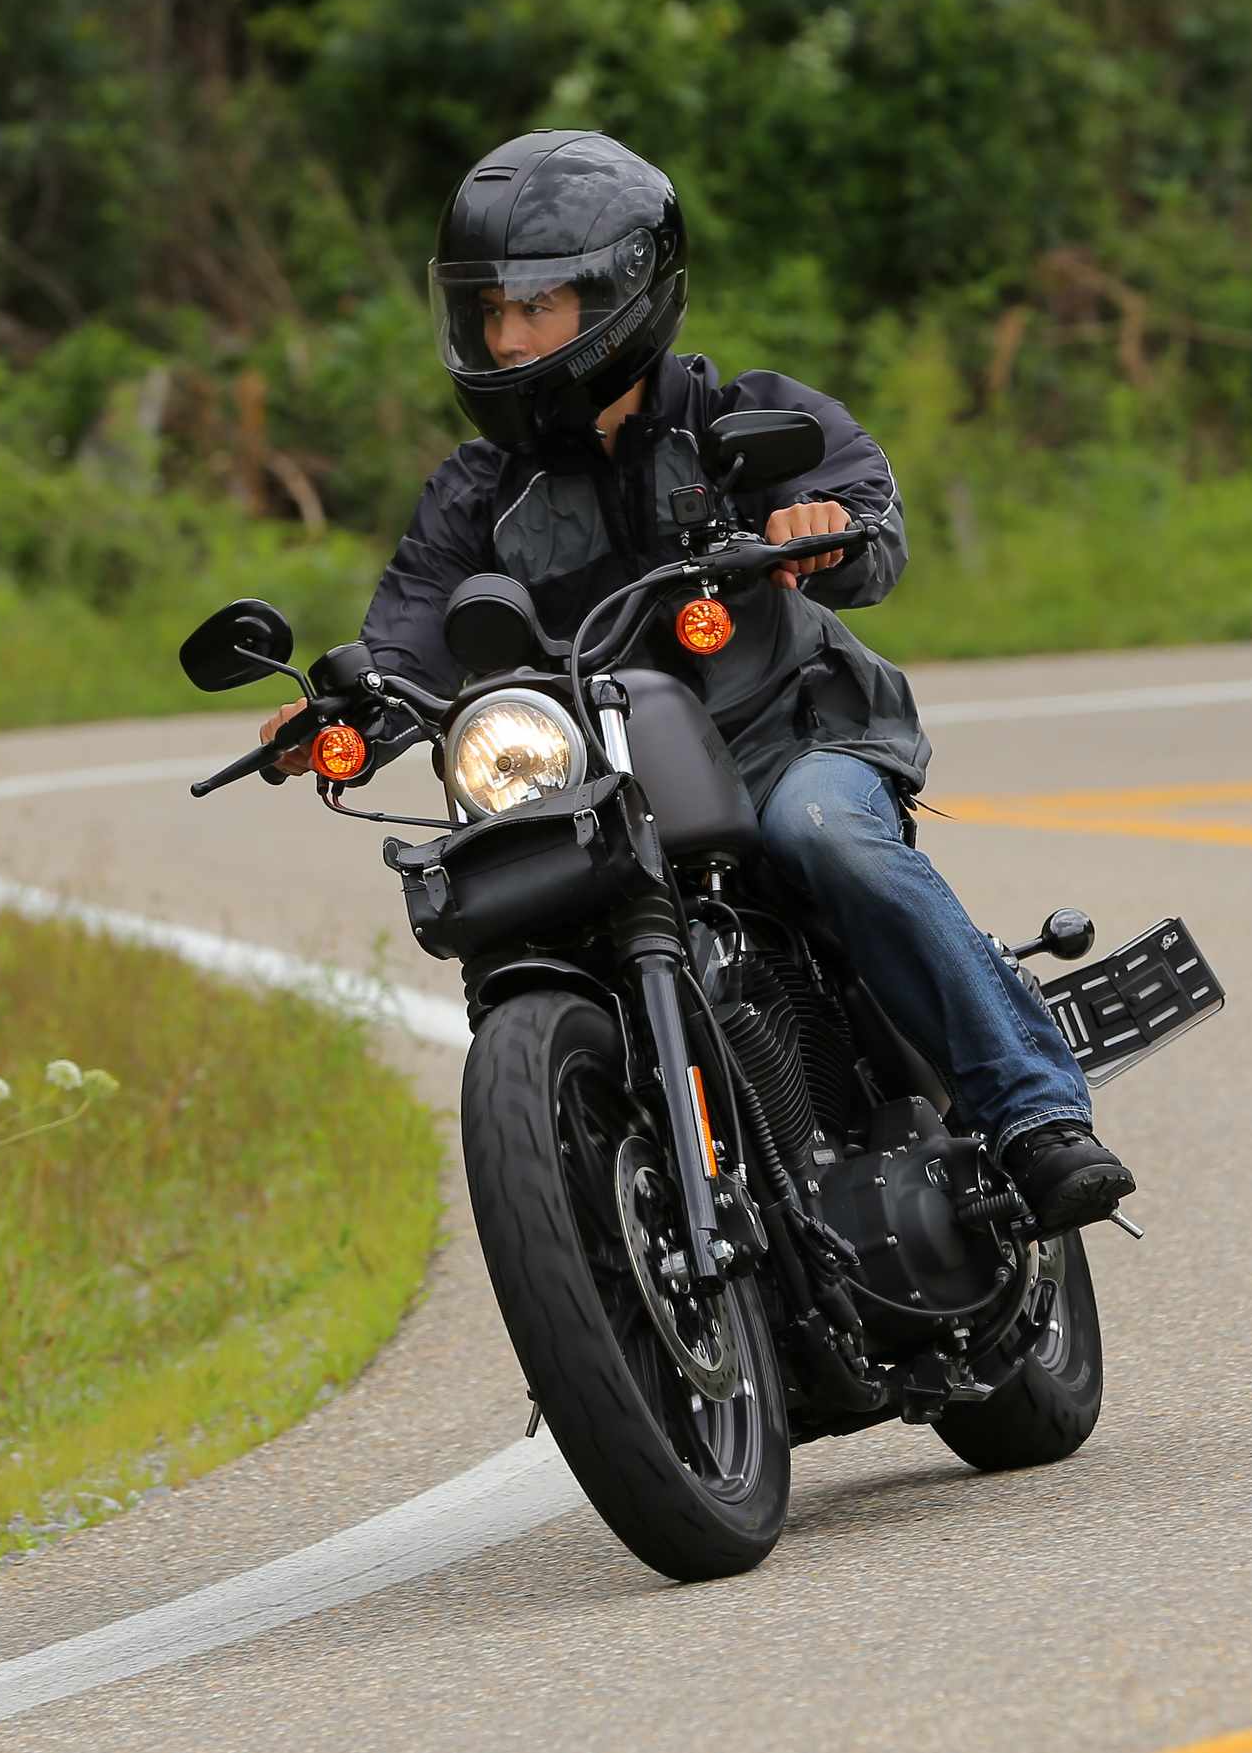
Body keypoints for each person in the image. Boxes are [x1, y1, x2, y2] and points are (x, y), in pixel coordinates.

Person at [260, 128, 1134, 1235]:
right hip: (592, 785)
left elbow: (860, 505)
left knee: (829, 836)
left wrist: (825, 525)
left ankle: (1035, 1113)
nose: (508, 334)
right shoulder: (477, 494)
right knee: (516, 918)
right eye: (491, 311)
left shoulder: (732, 420)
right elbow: (409, 638)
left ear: (622, 291)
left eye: (537, 305)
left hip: (781, 741)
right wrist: (342, 713)